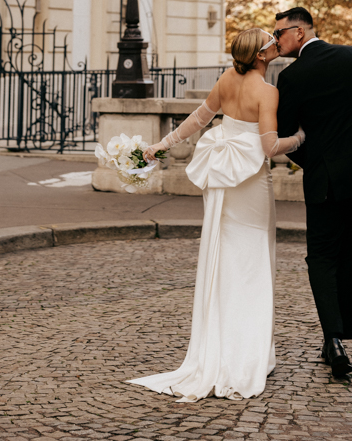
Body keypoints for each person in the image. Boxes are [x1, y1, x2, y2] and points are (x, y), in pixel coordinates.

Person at [130, 27, 305, 403]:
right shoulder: (268, 92)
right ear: (261, 55)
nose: (276, 43)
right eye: (271, 42)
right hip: (250, 183)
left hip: (223, 183)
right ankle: (248, 355)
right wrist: (302, 138)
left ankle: (226, 346)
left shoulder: (227, 80)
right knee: (254, 259)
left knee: (225, 259)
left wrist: (161, 145)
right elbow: (271, 145)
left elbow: (198, 119)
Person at [274, 6, 352, 379]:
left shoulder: (292, 77)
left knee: (322, 257)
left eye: (279, 32)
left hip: (326, 180)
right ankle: (339, 335)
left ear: (299, 32)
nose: (275, 39)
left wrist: (315, 164)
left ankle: (333, 340)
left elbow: (287, 138)